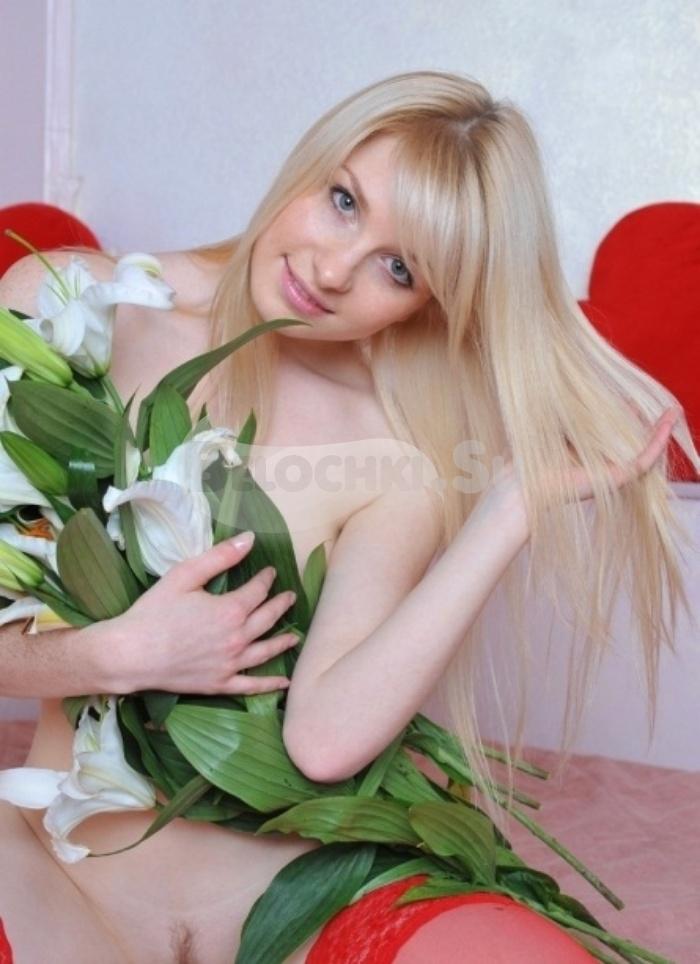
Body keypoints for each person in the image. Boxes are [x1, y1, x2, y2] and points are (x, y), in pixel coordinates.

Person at [0, 69, 696, 963]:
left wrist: (510, 508)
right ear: (313, 160)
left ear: (430, 302)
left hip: (292, 900)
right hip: (55, 879)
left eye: (399, 268)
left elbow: (324, 742)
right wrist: (117, 655)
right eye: (343, 202)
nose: (332, 272)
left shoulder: (397, 453)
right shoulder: (70, 310)